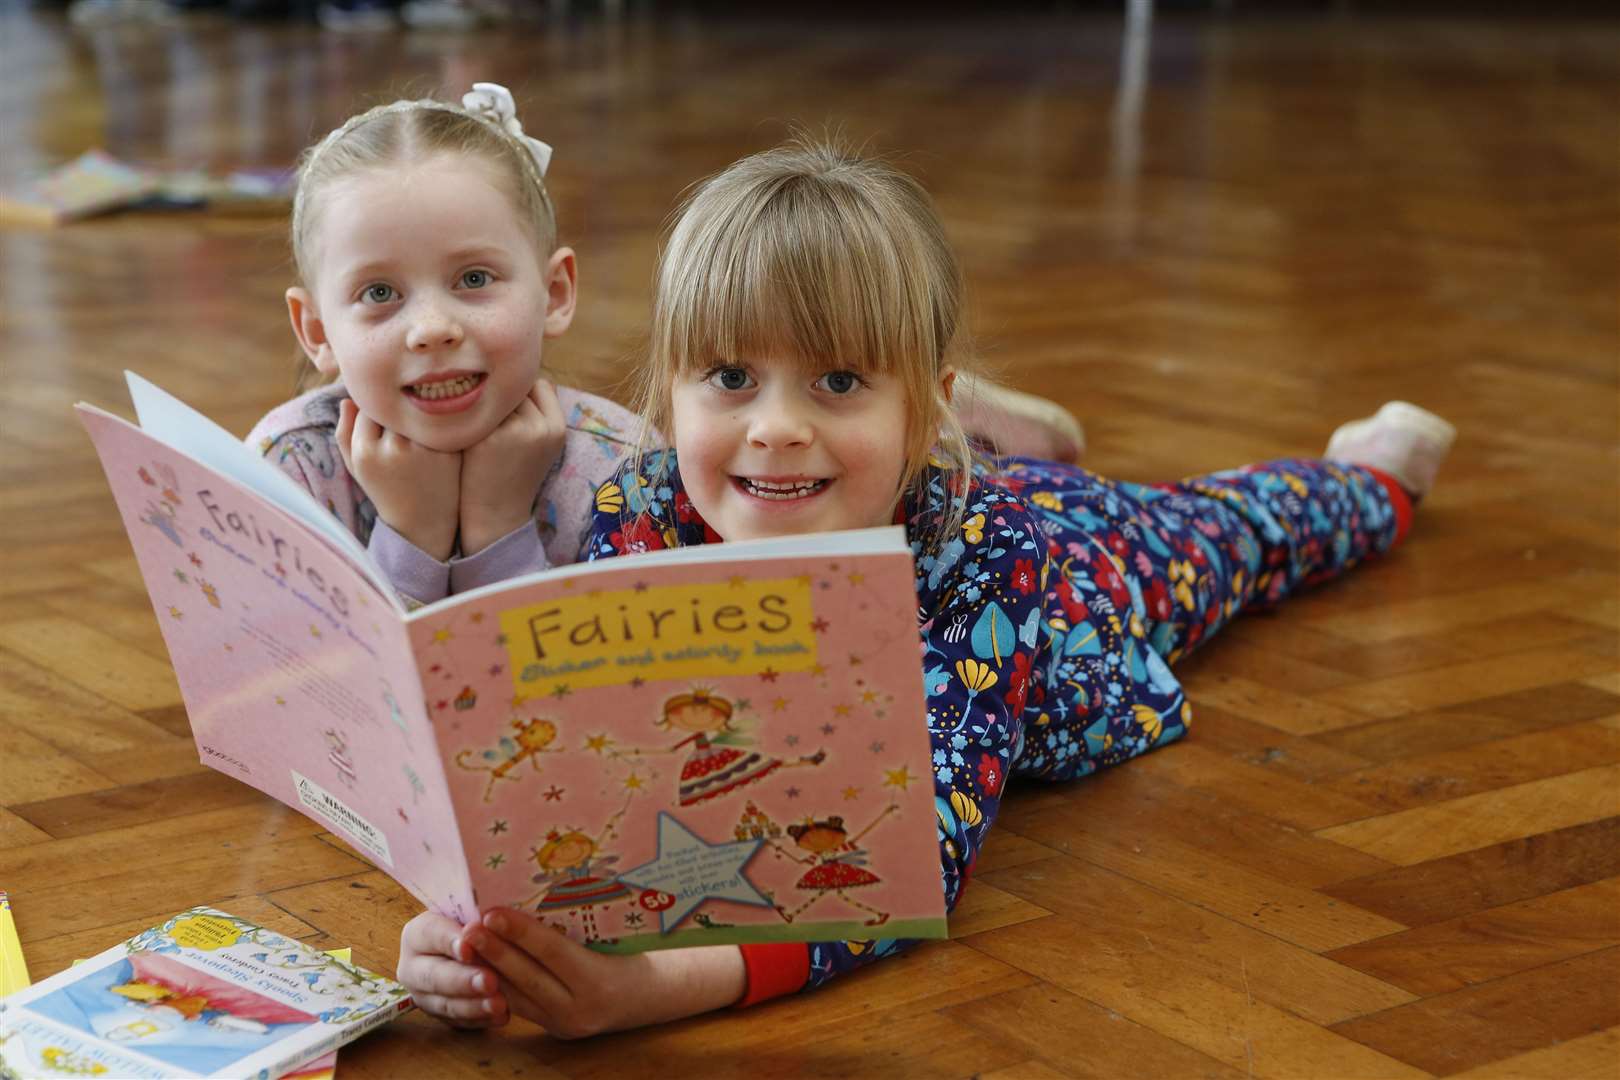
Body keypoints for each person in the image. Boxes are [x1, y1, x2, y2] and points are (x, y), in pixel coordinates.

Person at [394, 137, 1455, 1037]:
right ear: (668, 394)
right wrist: (469, 925)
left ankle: (1364, 472)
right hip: (913, 486)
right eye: (728, 378)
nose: (772, 425)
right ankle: (983, 431)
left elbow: (905, 861)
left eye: (838, 379)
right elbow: (570, 769)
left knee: (1241, 532)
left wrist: (655, 987)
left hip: (1081, 574)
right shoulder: (643, 505)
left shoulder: (989, 555)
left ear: (918, 404)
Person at [244, 82, 641, 607]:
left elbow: (607, 684)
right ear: (318, 332)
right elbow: (309, 682)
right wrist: (410, 537)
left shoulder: (624, 471)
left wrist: (501, 533)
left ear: (555, 294)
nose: (432, 328)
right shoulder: (287, 471)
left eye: (474, 279)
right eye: (379, 292)